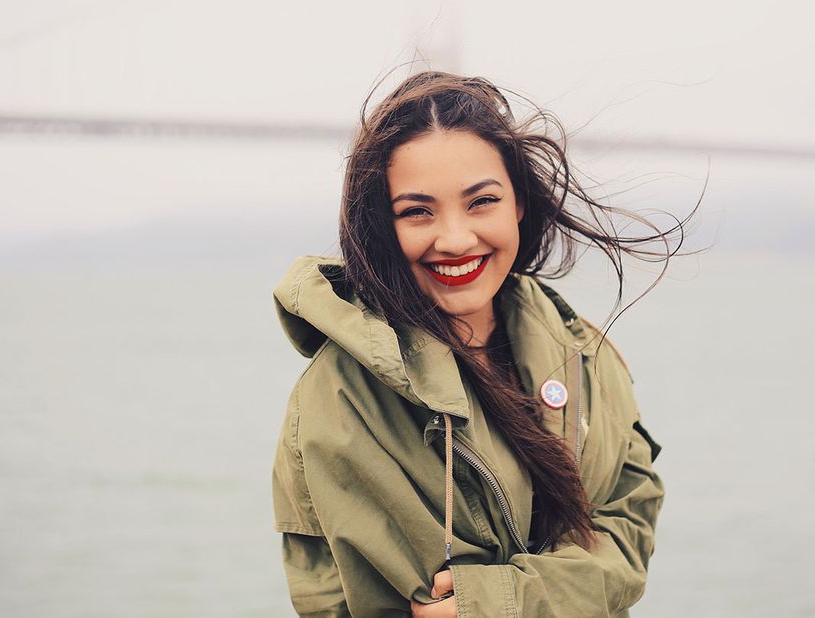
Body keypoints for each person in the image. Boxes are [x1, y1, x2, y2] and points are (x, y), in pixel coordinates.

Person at [272, 69, 698, 616]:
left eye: (481, 202)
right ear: (383, 224)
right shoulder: (344, 397)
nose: (454, 239)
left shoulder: (582, 350)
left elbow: (630, 523)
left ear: (518, 203)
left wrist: (504, 601)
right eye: (417, 211)